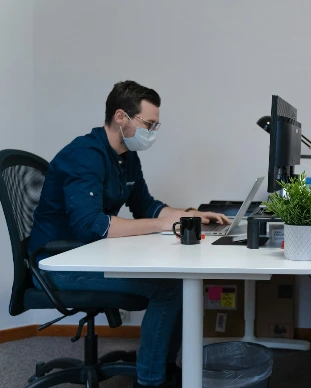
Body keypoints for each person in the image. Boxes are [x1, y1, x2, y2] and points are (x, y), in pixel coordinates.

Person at [29, 80, 231, 388]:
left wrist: (189, 216)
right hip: (59, 264)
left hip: (87, 255)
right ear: (121, 117)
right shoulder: (84, 154)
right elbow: (91, 225)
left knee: (178, 280)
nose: (153, 132)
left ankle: (160, 367)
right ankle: (150, 380)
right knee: (169, 289)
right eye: (149, 124)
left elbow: (146, 206)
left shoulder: (126, 156)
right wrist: (166, 225)